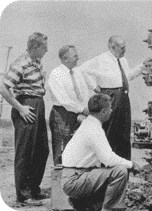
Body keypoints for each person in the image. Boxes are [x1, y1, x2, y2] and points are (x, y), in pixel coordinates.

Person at [61, 93, 141, 211]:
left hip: (74, 176)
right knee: (120, 171)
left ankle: (84, 203)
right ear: (103, 111)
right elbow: (109, 159)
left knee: (108, 171)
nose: (111, 111)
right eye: (110, 108)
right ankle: (110, 208)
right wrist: (131, 164)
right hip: (74, 180)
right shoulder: (94, 129)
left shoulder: (89, 123)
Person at [0, 32, 50, 205]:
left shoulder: (36, 63)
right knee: (25, 152)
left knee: (42, 150)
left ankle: (34, 190)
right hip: (26, 105)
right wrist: (20, 108)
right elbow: (3, 87)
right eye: (44, 47)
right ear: (35, 47)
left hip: (38, 104)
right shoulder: (21, 62)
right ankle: (23, 195)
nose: (47, 50)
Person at [79, 35, 146, 160]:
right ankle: (106, 165)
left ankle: (123, 165)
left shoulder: (123, 61)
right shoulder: (101, 59)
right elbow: (83, 69)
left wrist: (143, 66)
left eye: (125, 47)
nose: (124, 50)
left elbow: (129, 75)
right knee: (109, 131)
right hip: (110, 97)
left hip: (124, 98)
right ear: (112, 46)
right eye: (122, 48)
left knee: (124, 134)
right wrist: (94, 87)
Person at [48, 45, 91, 165]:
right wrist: (82, 109)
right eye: (75, 56)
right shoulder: (56, 74)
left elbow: (84, 92)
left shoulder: (77, 72)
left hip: (78, 114)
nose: (78, 58)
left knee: (77, 148)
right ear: (65, 58)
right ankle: (59, 180)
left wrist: (83, 110)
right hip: (62, 115)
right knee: (62, 150)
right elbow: (64, 100)